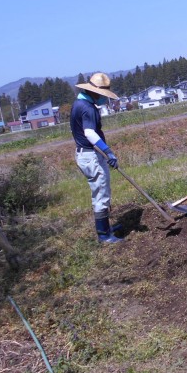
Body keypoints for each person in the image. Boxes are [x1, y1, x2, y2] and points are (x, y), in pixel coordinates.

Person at [70, 72, 122, 244]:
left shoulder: (79, 103)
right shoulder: (88, 108)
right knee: (101, 193)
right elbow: (89, 133)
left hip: (87, 154)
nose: (103, 98)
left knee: (102, 191)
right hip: (91, 156)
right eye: (102, 95)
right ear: (95, 92)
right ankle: (104, 235)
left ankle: (106, 228)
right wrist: (107, 151)